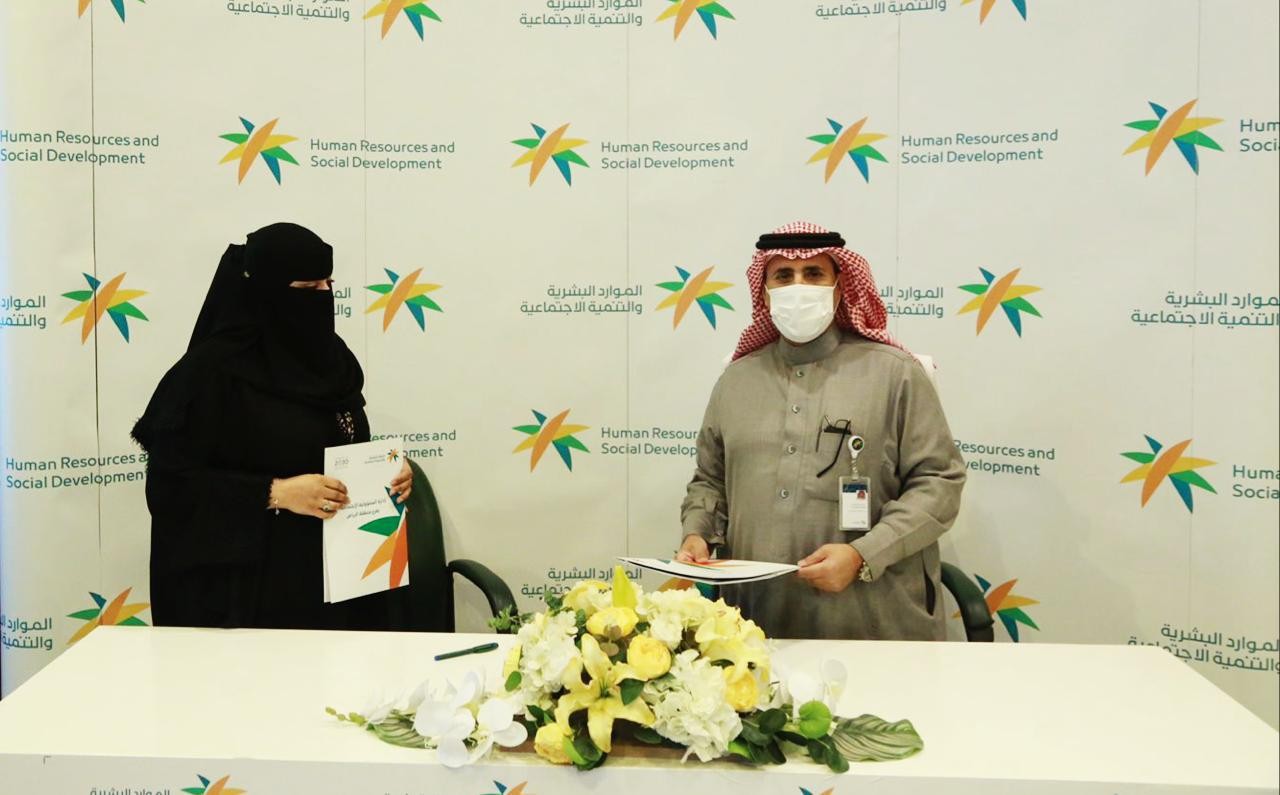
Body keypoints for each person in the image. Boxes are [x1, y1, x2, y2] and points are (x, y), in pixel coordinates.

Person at [676, 221, 965, 640]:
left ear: (839, 288)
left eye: (813, 274)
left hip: (872, 617)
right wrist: (697, 533)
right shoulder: (736, 380)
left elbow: (939, 482)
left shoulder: (896, 375)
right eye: (783, 276)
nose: (798, 286)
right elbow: (710, 480)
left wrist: (863, 554)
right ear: (764, 292)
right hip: (755, 623)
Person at [132, 222, 414, 630]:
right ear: (266, 291)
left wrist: (387, 475)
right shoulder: (210, 373)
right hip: (249, 598)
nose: (322, 297)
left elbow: (342, 443)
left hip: (340, 579)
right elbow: (170, 489)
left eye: (328, 284)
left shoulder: (330, 358)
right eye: (307, 288)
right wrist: (275, 493)